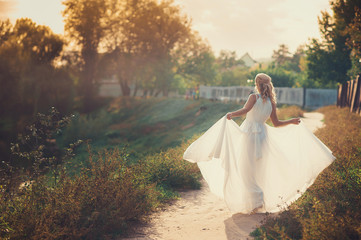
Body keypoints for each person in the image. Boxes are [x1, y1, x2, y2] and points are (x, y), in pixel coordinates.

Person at [183, 73, 335, 214]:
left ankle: (255, 199)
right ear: (268, 85)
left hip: (249, 134)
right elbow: (276, 123)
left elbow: (245, 110)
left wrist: (231, 114)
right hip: (263, 136)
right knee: (258, 168)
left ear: (257, 84)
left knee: (245, 167)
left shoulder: (253, 97)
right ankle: (257, 199)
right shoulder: (271, 102)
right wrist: (292, 121)